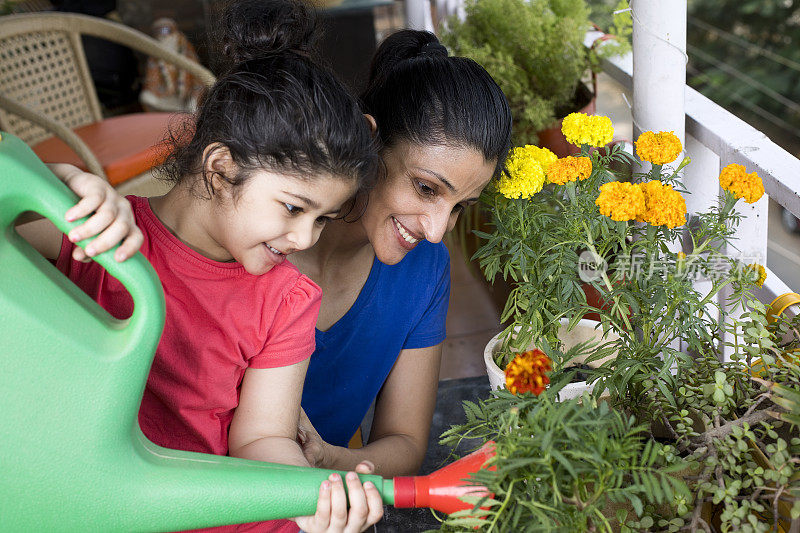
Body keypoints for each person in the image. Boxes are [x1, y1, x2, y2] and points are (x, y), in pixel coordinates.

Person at [17, 0, 384, 531]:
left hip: (212, 513)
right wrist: (60, 184)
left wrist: (308, 497)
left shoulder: (286, 300)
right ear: (220, 168)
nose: (304, 237)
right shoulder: (104, 233)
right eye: (293, 207)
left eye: (322, 218)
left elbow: (260, 440)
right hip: (87, 503)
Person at [293, 30, 513, 477]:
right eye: (426, 188)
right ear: (369, 142)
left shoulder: (424, 270)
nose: (436, 231)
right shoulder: (260, 242)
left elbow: (406, 444)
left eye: (460, 208)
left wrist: (329, 460)